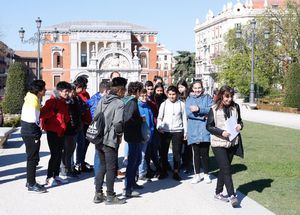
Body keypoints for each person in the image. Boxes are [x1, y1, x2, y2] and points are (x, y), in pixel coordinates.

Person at [206, 85, 244, 208]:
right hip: (218, 143)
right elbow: (209, 126)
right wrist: (221, 132)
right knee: (226, 168)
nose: (229, 99)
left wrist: (240, 126)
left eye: (231, 96)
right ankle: (232, 195)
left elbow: (240, 121)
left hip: (232, 142)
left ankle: (218, 192)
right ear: (222, 95)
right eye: (227, 96)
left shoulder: (236, 107)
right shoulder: (213, 109)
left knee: (224, 168)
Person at [93, 77, 127, 205]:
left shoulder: (102, 99)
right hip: (110, 139)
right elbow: (118, 123)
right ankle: (110, 196)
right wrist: (119, 135)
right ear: (120, 90)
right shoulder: (119, 103)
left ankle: (98, 193)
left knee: (102, 166)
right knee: (111, 168)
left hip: (98, 138)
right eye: (124, 90)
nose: (125, 92)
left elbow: (95, 116)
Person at [40, 81, 72, 187]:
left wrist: (66, 120)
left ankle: (56, 175)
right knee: (54, 154)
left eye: (68, 91)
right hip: (52, 131)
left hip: (61, 131)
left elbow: (65, 116)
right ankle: (49, 177)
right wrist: (53, 112)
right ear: (59, 91)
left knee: (59, 154)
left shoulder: (64, 102)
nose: (67, 93)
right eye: (65, 91)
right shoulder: (51, 101)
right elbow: (42, 113)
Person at [21, 80, 47, 193]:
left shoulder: (31, 97)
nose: (45, 90)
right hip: (31, 132)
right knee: (33, 158)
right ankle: (31, 184)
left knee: (31, 157)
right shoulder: (34, 102)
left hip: (27, 131)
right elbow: (33, 121)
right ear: (39, 91)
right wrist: (38, 133)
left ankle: (29, 181)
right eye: (44, 89)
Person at [157, 86, 187, 181]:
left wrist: (185, 131)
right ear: (167, 94)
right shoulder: (164, 104)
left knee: (177, 152)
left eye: (173, 94)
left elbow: (184, 119)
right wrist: (159, 127)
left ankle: (176, 171)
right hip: (165, 131)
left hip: (178, 131)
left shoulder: (181, 104)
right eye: (170, 94)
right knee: (163, 152)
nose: (172, 96)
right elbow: (159, 117)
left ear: (177, 94)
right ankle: (164, 171)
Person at [186, 80, 213, 184]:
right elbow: (189, 113)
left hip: (205, 129)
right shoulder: (189, 99)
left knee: (205, 153)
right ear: (192, 89)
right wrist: (203, 117)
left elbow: (212, 109)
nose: (197, 90)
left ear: (202, 88)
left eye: (199, 88)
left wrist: (198, 109)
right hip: (194, 130)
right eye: (195, 88)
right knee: (196, 153)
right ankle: (197, 175)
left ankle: (206, 174)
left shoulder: (207, 98)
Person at [123, 81, 144, 197]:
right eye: (140, 91)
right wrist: (140, 120)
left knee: (136, 159)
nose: (140, 93)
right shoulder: (132, 102)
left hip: (133, 135)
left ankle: (132, 183)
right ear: (136, 91)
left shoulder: (129, 100)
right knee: (132, 161)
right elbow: (128, 118)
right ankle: (128, 188)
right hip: (133, 135)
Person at [87, 81, 110, 178]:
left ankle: (100, 176)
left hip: (97, 128)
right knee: (99, 154)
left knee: (100, 153)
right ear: (105, 90)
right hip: (100, 129)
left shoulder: (93, 98)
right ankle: (98, 177)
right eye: (109, 91)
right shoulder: (100, 101)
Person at [60, 84, 82, 179]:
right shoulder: (66, 102)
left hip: (73, 128)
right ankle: (66, 169)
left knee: (70, 150)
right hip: (68, 129)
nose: (72, 93)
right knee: (67, 151)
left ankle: (69, 168)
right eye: (70, 91)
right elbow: (69, 116)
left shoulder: (73, 100)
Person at [75, 76, 93, 172]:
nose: (85, 87)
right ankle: (78, 163)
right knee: (80, 144)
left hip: (87, 122)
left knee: (85, 144)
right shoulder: (76, 95)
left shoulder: (86, 94)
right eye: (83, 85)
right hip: (81, 123)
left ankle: (82, 161)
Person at [137, 89, 155, 180]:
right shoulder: (137, 106)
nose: (144, 98)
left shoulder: (147, 107)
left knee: (143, 154)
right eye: (142, 96)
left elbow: (151, 121)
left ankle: (141, 172)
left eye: (145, 96)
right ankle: (139, 173)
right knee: (140, 154)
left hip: (148, 133)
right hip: (141, 134)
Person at [177, 79, 193, 174]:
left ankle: (188, 164)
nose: (180, 89)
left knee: (187, 146)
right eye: (178, 87)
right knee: (181, 145)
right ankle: (183, 162)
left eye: (182, 87)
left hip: (188, 123)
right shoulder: (178, 97)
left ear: (186, 87)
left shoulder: (189, 98)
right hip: (180, 124)